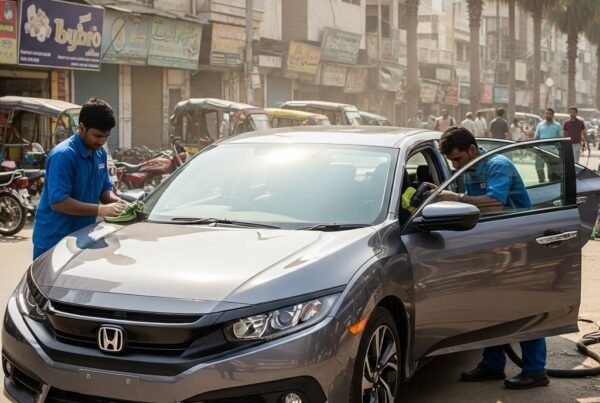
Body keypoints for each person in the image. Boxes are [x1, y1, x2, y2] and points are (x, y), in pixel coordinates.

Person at [426, 127, 547, 389]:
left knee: (523, 307)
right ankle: (492, 365)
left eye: (458, 159)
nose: (456, 165)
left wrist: (455, 196)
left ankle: (536, 371)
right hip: (492, 245)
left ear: (472, 150)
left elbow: (494, 202)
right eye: (452, 162)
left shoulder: (497, 165)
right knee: (491, 307)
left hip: (518, 244)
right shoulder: (469, 169)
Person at [32, 98, 126, 259]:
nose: (102, 141)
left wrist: (119, 204)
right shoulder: (63, 155)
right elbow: (58, 202)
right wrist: (101, 210)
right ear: (81, 128)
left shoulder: (100, 153)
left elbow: (104, 191)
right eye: (97, 136)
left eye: (106, 136)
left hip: (83, 238)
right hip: (53, 240)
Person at [534, 108, 563, 182]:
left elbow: (560, 139)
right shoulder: (540, 125)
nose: (547, 115)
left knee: (551, 168)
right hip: (541, 149)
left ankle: (550, 182)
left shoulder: (557, 125)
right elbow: (536, 137)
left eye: (549, 114)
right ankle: (541, 180)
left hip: (552, 150)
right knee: (539, 167)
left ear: (553, 115)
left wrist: (559, 151)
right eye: (546, 113)